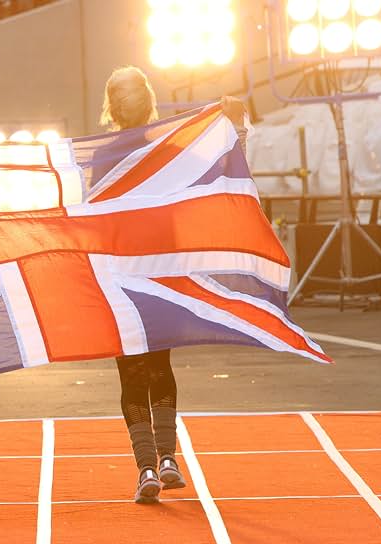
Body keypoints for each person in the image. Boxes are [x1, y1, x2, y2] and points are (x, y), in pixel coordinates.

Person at [99, 66, 246, 504]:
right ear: (150, 101)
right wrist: (234, 127)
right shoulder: (170, 147)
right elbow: (212, 175)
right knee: (160, 364)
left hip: (123, 273)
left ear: (110, 105)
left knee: (131, 370)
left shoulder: (103, 155)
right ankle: (168, 460)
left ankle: (145, 466)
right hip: (163, 269)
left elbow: (96, 217)